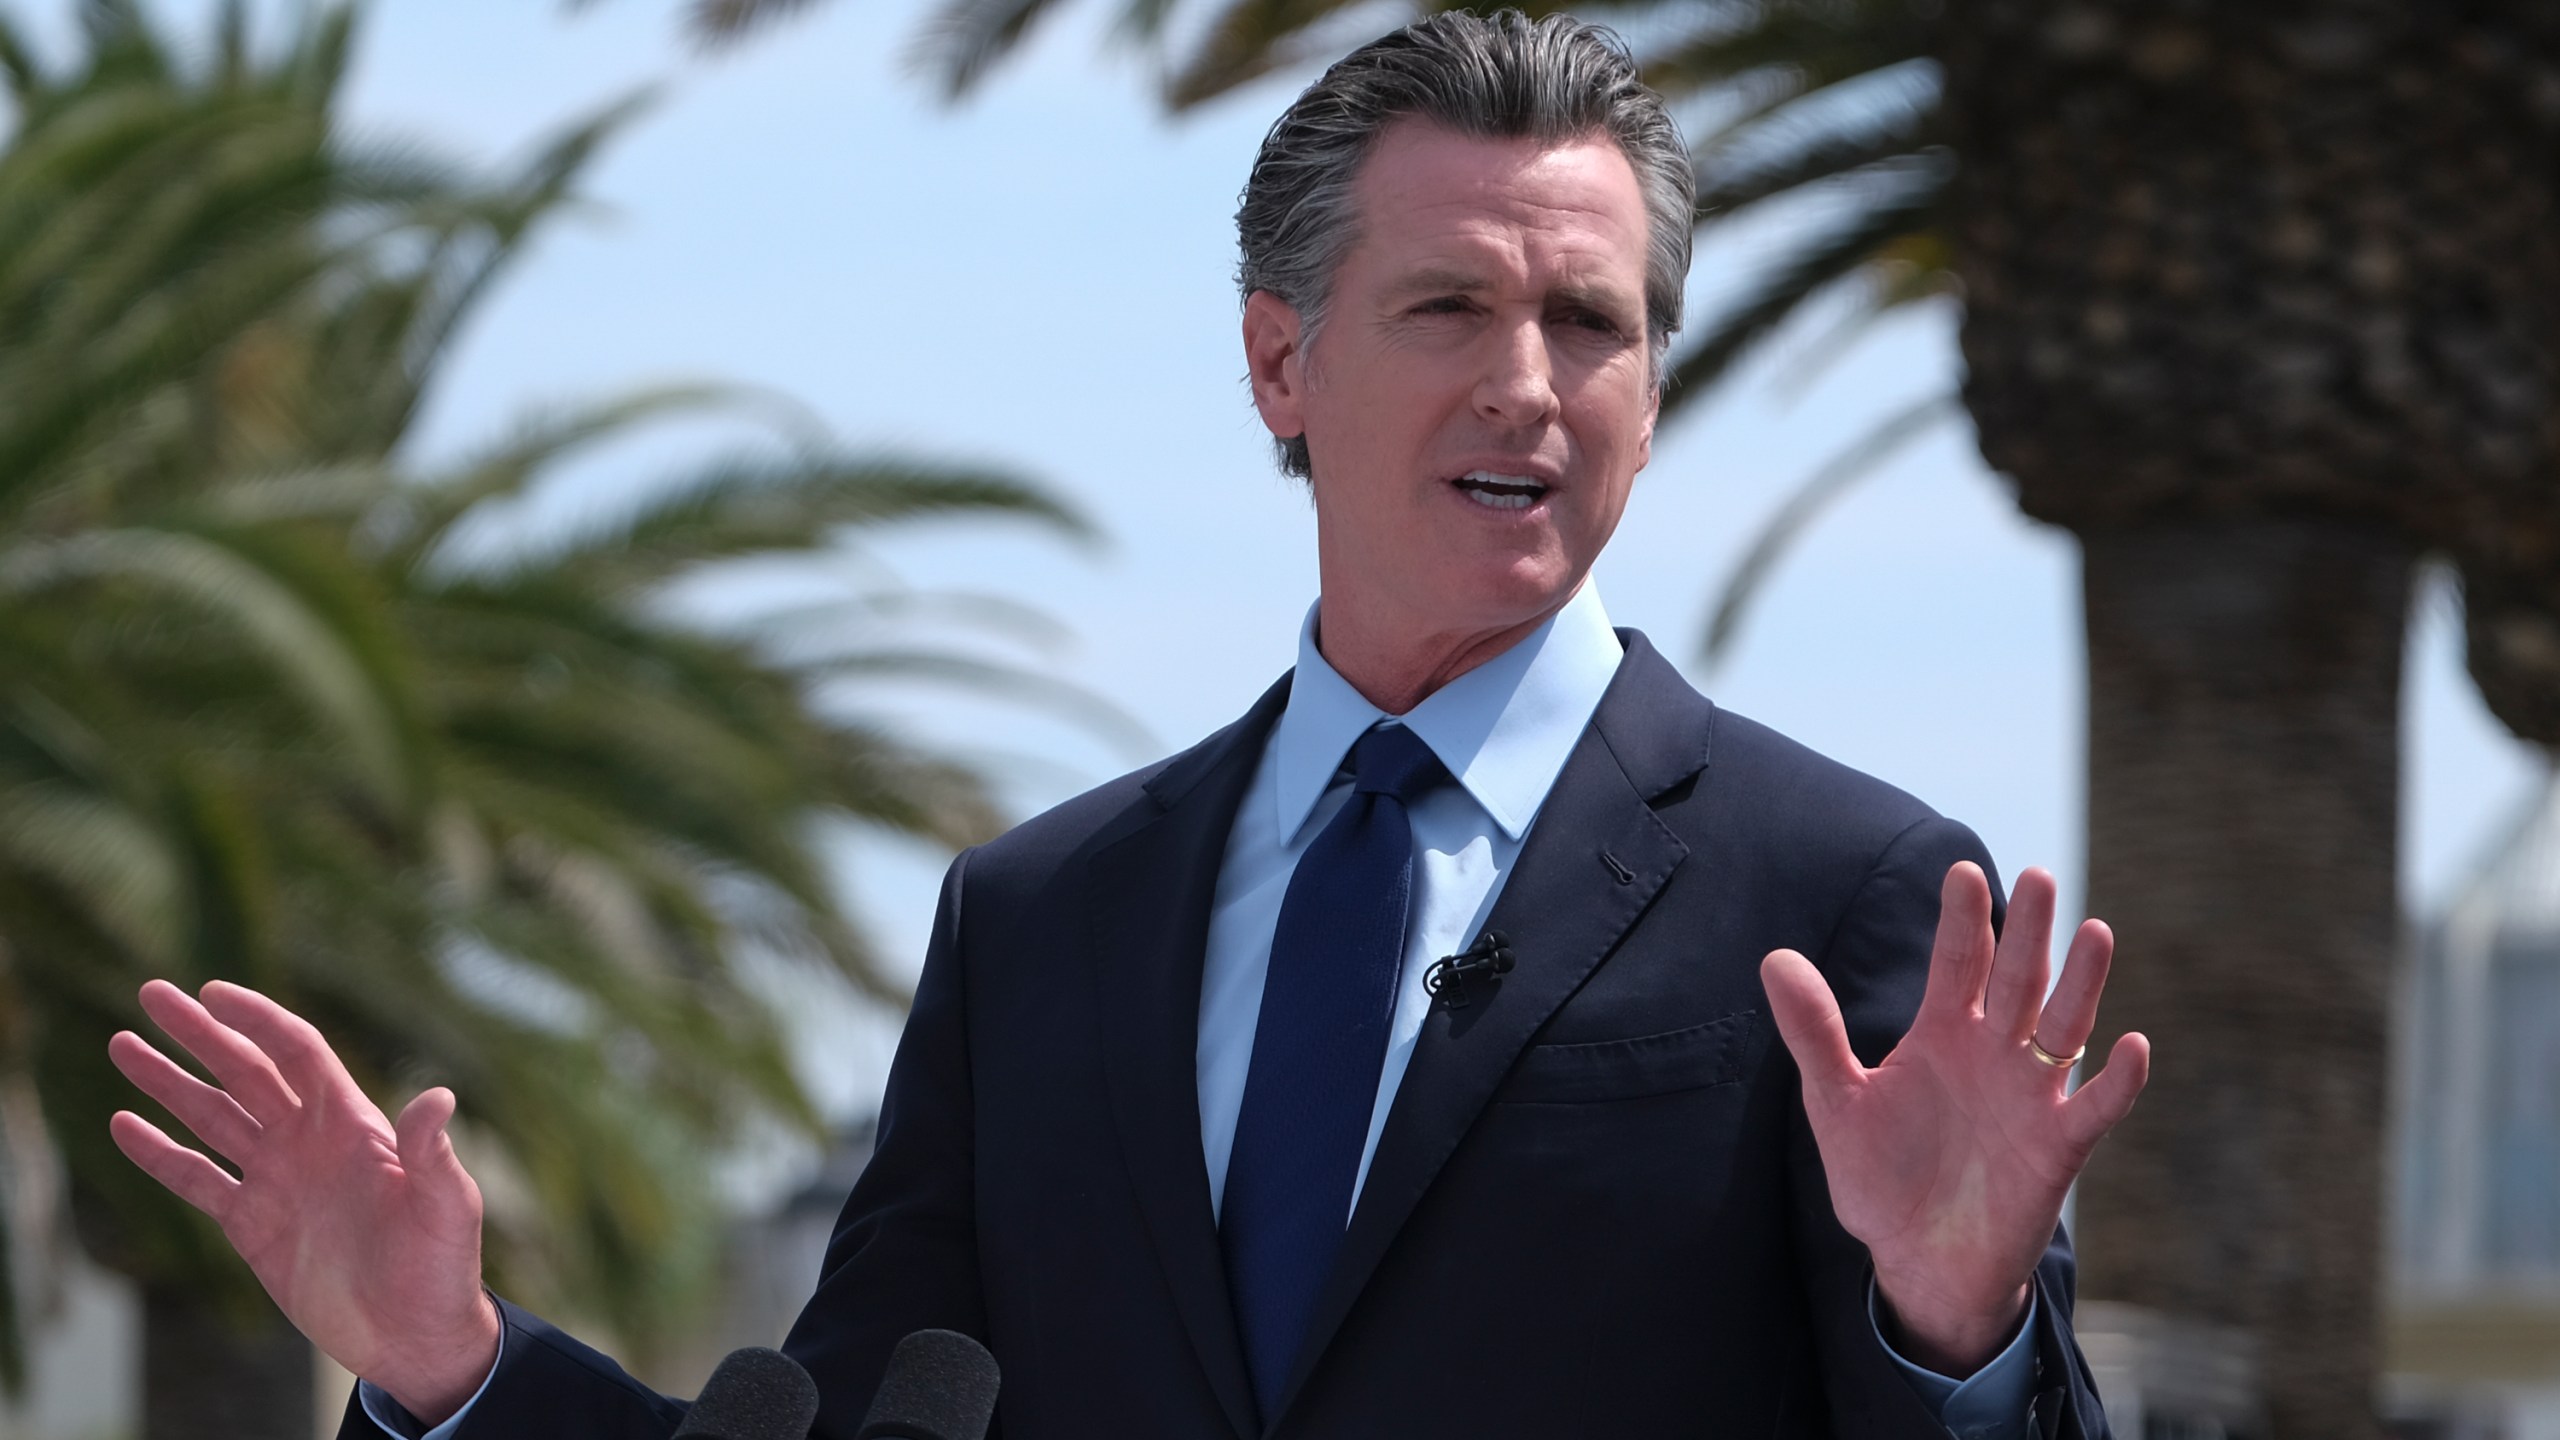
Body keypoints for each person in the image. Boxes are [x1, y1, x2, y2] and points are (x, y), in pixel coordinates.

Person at [107, 12, 2150, 1438]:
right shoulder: (1046, 921)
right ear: (1280, 361)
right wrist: (455, 1367)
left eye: (1587, 322)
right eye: (1448, 308)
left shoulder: (1846, 892)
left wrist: (1951, 1330)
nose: (1529, 381)